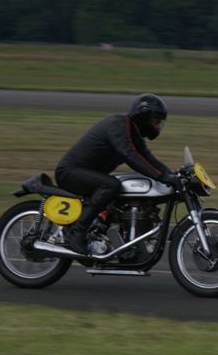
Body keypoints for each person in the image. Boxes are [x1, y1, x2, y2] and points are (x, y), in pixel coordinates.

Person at [55, 93, 180, 255]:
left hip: (88, 174)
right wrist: (161, 177)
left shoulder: (133, 133)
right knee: (111, 185)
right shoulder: (118, 125)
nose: (157, 126)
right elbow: (130, 156)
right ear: (143, 115)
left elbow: (149, 159)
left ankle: (102, 232)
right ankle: (78, 232)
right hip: (70, 172)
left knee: (122, 189)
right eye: (155, 121)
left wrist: (174, 175)